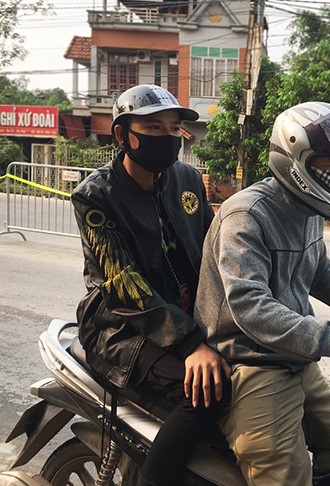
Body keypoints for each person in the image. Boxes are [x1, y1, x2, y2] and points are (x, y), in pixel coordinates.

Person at [194, 101, 330, 485]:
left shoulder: (304, 211)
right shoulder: (247, 215)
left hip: (293, 357)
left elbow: (321, 274)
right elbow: (251, 307)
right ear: (296, 159)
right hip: (251, 362)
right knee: (286, 478)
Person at [71, 84, 232, 486]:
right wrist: (191, 344)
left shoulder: (188, 179)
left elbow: (215, 252)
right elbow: (124, 286)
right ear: (123, 135)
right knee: (205, 394)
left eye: (174, 128)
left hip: (186, 318)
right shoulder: (95, 196)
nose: (167, 137)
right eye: (154, 127)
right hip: (120, 328)